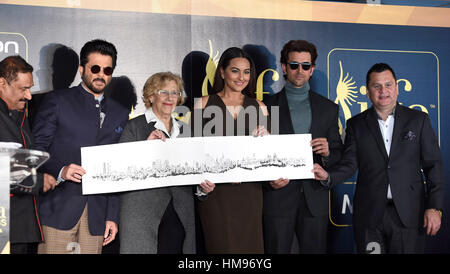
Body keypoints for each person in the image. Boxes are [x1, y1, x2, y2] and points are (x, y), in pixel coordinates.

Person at [313, 63, 445, 254]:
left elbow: (435, 167)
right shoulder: (356, 125)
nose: (383, 91)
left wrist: (435, 207)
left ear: (397, 88)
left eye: (388, 85)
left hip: (408, 216)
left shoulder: (418, 120)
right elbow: (349, 164)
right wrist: (328, 175)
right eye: (377, 86)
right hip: (369, 219)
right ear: (367, 91)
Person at [32, 39, 130, 254]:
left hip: (96, 216)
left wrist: (112, 216)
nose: (101, 74)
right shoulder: (57, 101)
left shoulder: (120, 112)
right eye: (95, 68)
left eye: (107, 70)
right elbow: (37, 149)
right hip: (58, 210)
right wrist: (61, 171)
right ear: (81, 69)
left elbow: (117, 166)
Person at [118, 72, 215, 254]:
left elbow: (195, 173)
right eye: (164, 92)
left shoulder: (186, 130)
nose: (170, 98)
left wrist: (202, 188)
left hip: (180, 212)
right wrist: (146, 148)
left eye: (175, 93)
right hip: (143, 214)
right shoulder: (134, 127)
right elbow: (121, 172)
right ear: (150, 96)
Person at [262, 40, 342, 254]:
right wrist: (268, 179)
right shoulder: (265, 107)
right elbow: (256, 153)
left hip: (314, 199)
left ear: (312, 69)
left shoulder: (328, 109)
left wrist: (327, 153)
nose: (300, 71)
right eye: (294, 65)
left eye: (305, 66)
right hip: (277, 197)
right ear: (284, 67)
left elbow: (338, 154)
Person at [193, 47, 269, 254]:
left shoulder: (260, 107)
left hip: (249, 193)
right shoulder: (203, 104)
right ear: (222, 72)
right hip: (217, 193)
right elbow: (195, 152)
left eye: (246, 72)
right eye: (235, 71)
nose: (241, 77)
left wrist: (267, 140)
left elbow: (266, 156)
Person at [0, 55, 57, 254]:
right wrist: (38, 180)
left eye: (30, 88)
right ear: (2, 83)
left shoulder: (18, 114)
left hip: (19, 228)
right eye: (23, 89)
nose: (29, 96)